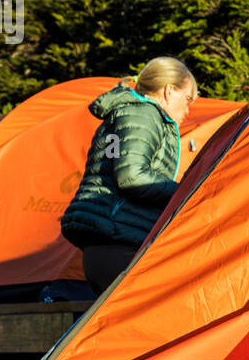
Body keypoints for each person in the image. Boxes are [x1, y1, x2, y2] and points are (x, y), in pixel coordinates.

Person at [61, 56, 199, 294]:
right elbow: (131, 177)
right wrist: (184, 192)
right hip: (117, 245)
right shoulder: (143, 115)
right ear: (168, 91)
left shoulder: (137, 113)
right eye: (187, 99)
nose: (188, 110)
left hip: (113, 244)